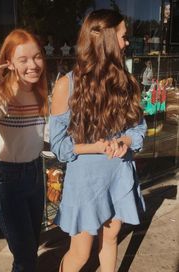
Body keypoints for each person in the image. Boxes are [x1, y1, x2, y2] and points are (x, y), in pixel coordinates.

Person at [49, 9, 147, 272]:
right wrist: (95, 146)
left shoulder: (127, 83)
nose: (126, 43)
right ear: (105, 39)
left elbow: (139, 130)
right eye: (123, 36)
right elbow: (58, 145)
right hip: (86, 183)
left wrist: (124, 141)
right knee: (80, 254)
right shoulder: (66, 86)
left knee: (111, 238)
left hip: (118, 174)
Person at [0, 29, 48, 272]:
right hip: (9, 182)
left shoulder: (40, 91)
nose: (33, 65)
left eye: (37, 57)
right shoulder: (0, 96)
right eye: (23, 59)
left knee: (31, 248)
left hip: (36, 174)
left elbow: (45, 137)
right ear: (10, 63)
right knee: (25, 259)